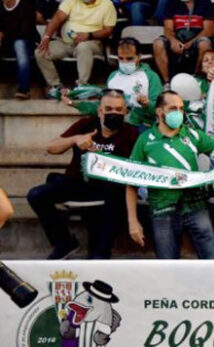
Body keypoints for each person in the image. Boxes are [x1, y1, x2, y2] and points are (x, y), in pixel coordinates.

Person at [126, 91, 214, 259]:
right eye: (173, 108)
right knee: (167, 265)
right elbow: (130, 181)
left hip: (195, 206)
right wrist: (133, 220)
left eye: (181, 108)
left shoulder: (193, 134)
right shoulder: (145, 140)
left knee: (213, 260)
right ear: (159, 111)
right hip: (162, 209)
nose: (178, 113)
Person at [27, 90, 138, 259]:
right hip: (77, 183)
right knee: (37, 194)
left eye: (118, 110)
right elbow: (51, 147)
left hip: (110, 193)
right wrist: (75, 139)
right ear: (100, 111)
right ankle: (64, 243)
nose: (113, 113)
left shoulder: (131, 133)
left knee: (99, 256)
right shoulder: (86, 125)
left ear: (125, 112)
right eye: (108, 109)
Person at [67, 38, 163, 130]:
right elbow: (102, 105)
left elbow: (160, 108)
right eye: (121, 58)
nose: (124, 62)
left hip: (141, 125)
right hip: (113, 123)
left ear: (139, 57)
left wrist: (147, 104)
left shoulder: (151, 77)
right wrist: (73, 103)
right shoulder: (113, 76)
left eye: (129, 58)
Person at [34, 0, 117, 98]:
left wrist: (89, 35)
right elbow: (58, 17)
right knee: (40, 51)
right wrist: (47, 36)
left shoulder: (107, 4)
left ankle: (82, 85)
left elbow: (108, 30)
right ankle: (56, 86)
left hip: (92, 42)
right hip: (65, 43)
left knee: (83, 47)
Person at [153, 0, 214, 85]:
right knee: (158, 44)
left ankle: (196, 80)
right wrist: (173, 41)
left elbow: (208, 31)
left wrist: (188, 44)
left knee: (204, 44)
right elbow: (168, 29)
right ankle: (167, 83)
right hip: (177, 38)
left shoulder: (205, 3)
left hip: (197, 39)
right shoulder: (170, 3)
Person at [0, 0, 39, 99]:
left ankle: (24, 89)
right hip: (7, 42)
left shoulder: (26, 5)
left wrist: (3, 35)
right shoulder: (0, 6)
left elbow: (25, 32)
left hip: (26, 42)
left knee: (19, 44)